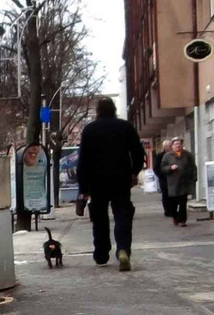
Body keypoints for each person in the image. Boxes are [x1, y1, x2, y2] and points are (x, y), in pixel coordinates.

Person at [77, 97, 147, 271]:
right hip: (120, 179)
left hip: (96, 181)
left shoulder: (89, 130)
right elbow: (138, 153)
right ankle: (123, 249)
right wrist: (133, 172)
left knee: (99, 218)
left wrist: (83, 188)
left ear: (98, 111)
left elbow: (83, 161)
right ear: (114, 109)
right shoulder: (125, 127)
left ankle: (101, 254)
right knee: (123, 215)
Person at [158, 138, 197, 227]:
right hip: (173, 184)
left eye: (179, 144)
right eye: (176, 144)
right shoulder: (167, 156)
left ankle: (182, 220)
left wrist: (194, 178)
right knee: (173, 204)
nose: (178, 145)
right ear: (172, 146)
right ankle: (175, 217)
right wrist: (170, 168)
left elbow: (193, 167)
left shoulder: (187, 154)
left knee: (183, 203)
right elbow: (162, 167)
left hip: (185, 183)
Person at [153, 140, 174, 219]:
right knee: (166, 195)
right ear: (164, 147)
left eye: (170, 145)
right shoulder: (159, 156)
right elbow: (156, 168)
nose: (170, 147)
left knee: (173, 194)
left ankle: (173, 209)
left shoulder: (173, 155)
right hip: (164, 179)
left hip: (173, 178)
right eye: (168, 145)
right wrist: (161, 176)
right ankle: (167, 211)